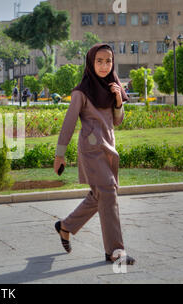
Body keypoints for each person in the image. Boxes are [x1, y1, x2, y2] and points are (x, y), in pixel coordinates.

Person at [53, 43, 135, 265]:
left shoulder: (112, 87)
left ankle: (66, 226)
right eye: (99, 61)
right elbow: (69, 123)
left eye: (108, 61)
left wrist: (119, 101)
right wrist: (60, 155)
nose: (104, 65)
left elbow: (116, 121)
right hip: (90, 150)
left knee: (100, 194)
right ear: (91, 62)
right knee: (108, 190)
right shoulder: (82, 91)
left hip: (109, 147)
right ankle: (115, 250)